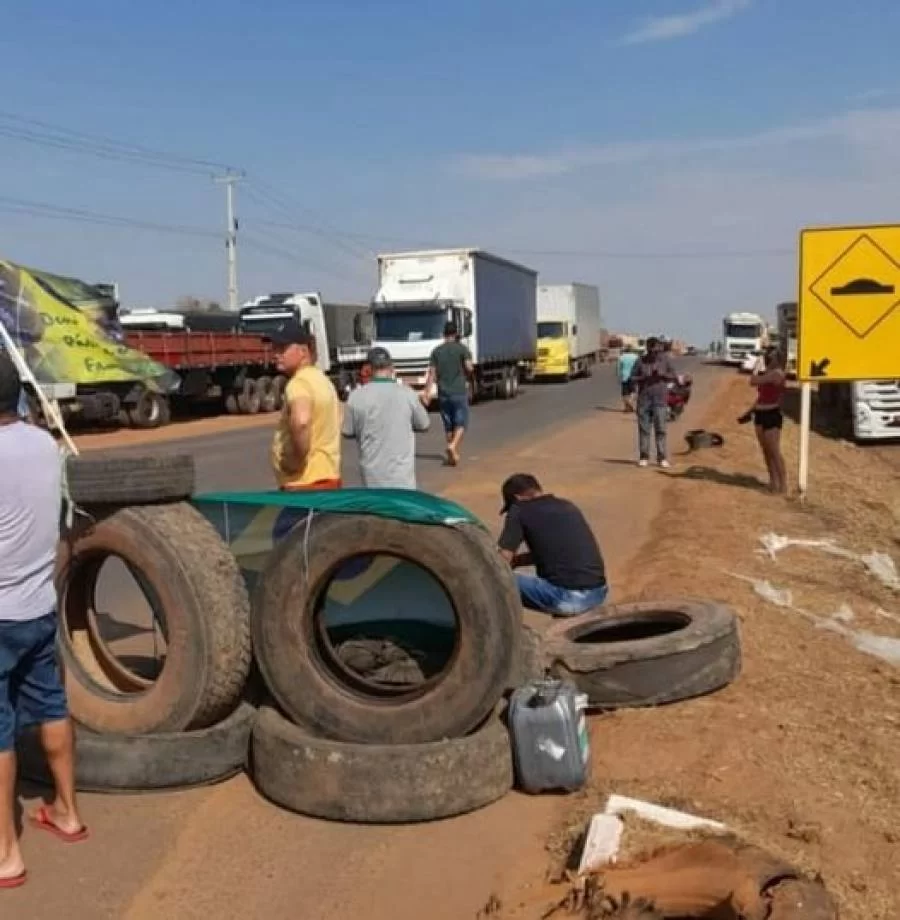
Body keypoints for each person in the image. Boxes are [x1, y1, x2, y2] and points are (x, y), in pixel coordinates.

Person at [0, 354, 87, 890]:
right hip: (37, 606)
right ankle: (67, 811)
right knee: (51, 704)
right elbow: (59, 523)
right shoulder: (46, 445)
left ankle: (7, 852)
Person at [497, 473, 608, 616]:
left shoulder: (519, 510)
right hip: (598, 592)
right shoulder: (567, 505)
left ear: (517, 498)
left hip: (568, 598)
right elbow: (555, 551)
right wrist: (517, 561)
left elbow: (501, 561)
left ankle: (503, 628)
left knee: (495, 577)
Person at [342, 347, 431, 489]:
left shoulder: (356, 397)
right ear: (391, 368)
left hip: (372, 482)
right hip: (403, 483)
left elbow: (347, 431)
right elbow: (424, 424)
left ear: (368, 369)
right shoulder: (407, 394)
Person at [270, 323, 342, 491]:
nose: (276, 355)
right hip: (328, 476)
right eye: (275, 349)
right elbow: (338, 417)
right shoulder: (323, 381)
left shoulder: (299, 383)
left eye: (282, 349)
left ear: (303, 351)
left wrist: (295, 460)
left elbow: (302, 422)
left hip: (304, 484)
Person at [422, 322, 473, 467]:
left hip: (443, 393)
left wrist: (427, 392)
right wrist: (468, 370)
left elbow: (432, 374)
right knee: (461, 423)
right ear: (456, 333)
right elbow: (469, 367)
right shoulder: (462, 349)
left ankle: (452, 456)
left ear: (444, 334)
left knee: (448, 425)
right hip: (459, 391)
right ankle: (453, 446)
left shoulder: (436, 351)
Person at [629, 336, 679, 468]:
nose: (654, 353)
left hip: (660, 399)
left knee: (661, 429)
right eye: (652, 350)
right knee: (644, 429)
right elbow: (632, 377)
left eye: (656, 350)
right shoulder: (640, 361)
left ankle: (661, 457)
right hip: (644, 399)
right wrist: (642, 377)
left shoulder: (666, 360)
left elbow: (674, 376)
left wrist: (663, 375)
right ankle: (644, 456)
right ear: (647, 349)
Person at [748, 346, 788, 494]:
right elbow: (761, 396)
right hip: (760, 413)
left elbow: (753, 381)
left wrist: (756, 368)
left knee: (774, 451)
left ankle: (783, 484)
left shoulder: (777, 374)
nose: (767, 359)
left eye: (769, 357)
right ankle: (773, 481)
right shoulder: (769, 373)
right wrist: (750, 410)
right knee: (766, 451)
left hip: (772, 413)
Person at [616, 346, 639, 412]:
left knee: (624, 393)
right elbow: (638, 366)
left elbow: (618, 368)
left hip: (624, 376)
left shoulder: (621, 357)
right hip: (633, 376)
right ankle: (630, 403)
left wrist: (618, 376)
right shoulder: (636, 357)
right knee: (634, 392)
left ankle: (627, 406)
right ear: (632, 350)